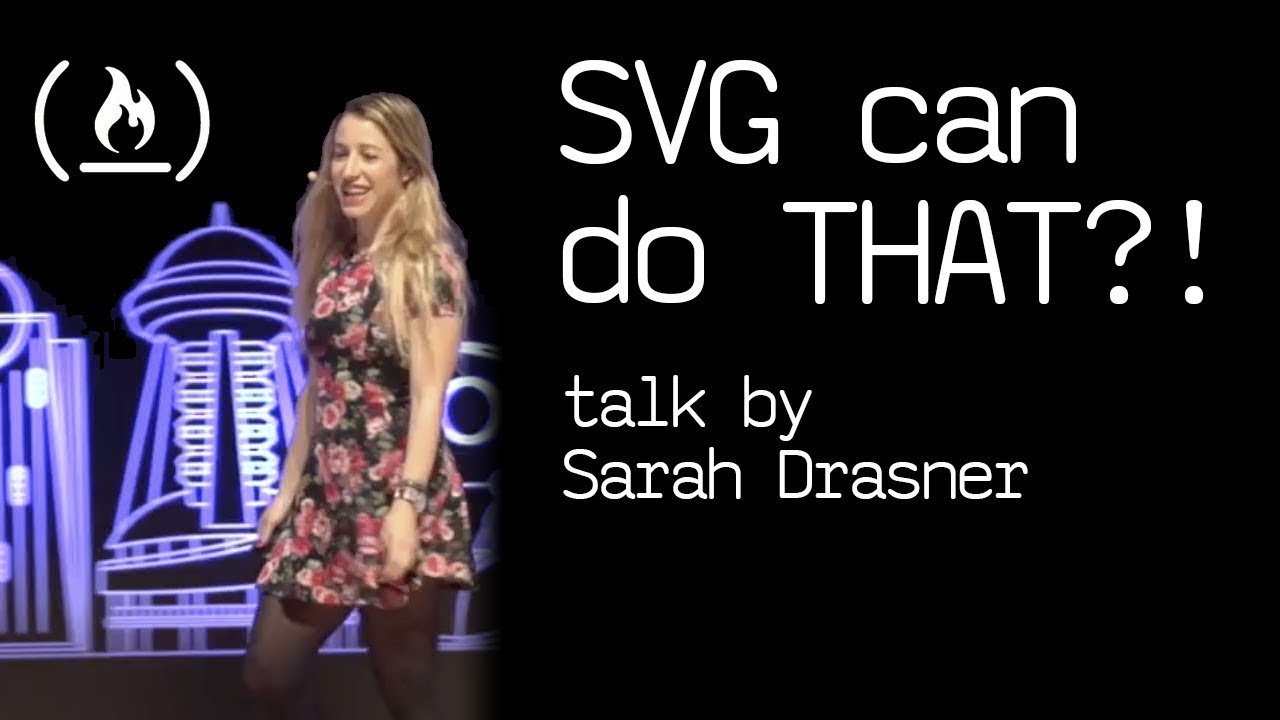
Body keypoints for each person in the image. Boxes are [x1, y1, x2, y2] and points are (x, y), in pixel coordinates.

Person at [243, 92, 477, 720]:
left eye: (369, 155)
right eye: (341, 154)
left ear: (407, 168)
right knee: (268, 671)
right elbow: (318, 386)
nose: (349, 169)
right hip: (326, 499)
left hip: (398, 496)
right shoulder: (335, 261)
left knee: (406, 692)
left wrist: (405, 507)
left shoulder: (428, 266)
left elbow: (429, 396)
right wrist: (288, 491)